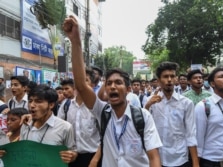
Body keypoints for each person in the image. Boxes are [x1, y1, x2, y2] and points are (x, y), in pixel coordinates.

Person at [63, 15, 162, 167]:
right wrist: (76, 42)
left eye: (118, 83)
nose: (113, 87)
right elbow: (81, 86)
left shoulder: (142, 117)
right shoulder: (102, 112)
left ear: (128, 89)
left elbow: (154, 158)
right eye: (109, 83)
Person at [145, 62, 199, 167]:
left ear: (176, 79)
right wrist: (147, 106)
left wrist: (195, 163)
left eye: (172, 76)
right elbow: (143, 128)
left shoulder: (186, 103)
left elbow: (191, 133)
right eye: (165, 76)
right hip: (157, 158)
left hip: (180, 158)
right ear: (159, 80)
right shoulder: (150, 102)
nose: (169, 79)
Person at [7, 85, 77, 163]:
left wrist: (72, 155)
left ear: (51, 105)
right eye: (30, 101)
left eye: (38, 101)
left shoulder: (65, 127)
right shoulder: (26, 125)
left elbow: (72, 151)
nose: (32, 105)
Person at [57, 68, 100, 167]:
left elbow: (105, 136)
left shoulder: (97, 107)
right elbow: (59, 128)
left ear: (93, 85)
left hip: (92, 157)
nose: (81, 84)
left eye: (85, 80)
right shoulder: (66, 105)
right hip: (70, 157)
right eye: (78, 80)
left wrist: (95, 160)